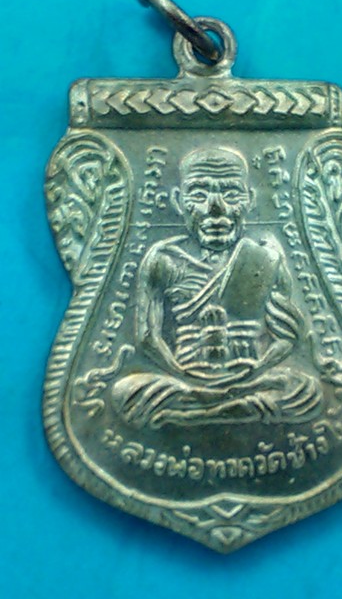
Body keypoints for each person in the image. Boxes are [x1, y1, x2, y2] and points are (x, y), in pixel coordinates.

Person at [111, 147, 322, 428]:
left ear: (250, 199)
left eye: (231, 194)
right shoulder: (164, 258)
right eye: (199, 195)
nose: (216, 208)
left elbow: (287, 337)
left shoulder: (264, 256)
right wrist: (183, 374)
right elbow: (148, 337)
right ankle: (230, 410)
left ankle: (197, 415)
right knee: (126, 392)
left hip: (250, 378)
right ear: (178, 201)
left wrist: (254, 370)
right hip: (184, 378)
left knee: (306, 390)